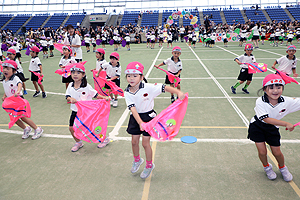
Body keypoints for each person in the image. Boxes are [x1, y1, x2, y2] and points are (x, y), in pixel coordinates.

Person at [124, 61, 185, 179]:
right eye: (129, 76)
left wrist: (178, 92)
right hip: (136, 118)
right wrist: (140, 123)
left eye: (135, 75)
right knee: (134, 142)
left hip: (149, 117)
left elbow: (164, 87)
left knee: (145, 143)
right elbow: (133, 109)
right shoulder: (127, 91)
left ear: (142, 77)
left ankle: (149, 165)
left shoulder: (148, 87)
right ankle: (137, 160)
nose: (131, 78)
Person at [247, 73, 300, 182]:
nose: (275, 90)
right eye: (271, 87)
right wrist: (286, 123)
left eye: (278, 87)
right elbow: (266, 119)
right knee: (262, 152)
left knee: (277, 152)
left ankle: (282, 167)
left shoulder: (287, 101)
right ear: (265, 89)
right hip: (257, 126)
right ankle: (267, 167)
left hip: (272, 129)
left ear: (282, 88)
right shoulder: (260, 101)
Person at [65, 63, 110, 152]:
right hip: (75, 111)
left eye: (78, 73)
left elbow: (96, 95)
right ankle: (78, 142)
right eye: (73, 72)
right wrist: (70, 99)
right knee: (71, 128)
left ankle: (104, 138)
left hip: (86, 113)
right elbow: (67, 96)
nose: (75, 74)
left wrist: (104, 97)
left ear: (83, 75)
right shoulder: (70, 85)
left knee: (92, 128)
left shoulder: (86, 86)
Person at [1, 60, 43, 140]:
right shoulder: (4, 80)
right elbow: (7, 90)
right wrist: (4, 96)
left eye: (8, 68)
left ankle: (37, 129)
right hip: (11, 102)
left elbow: (19, 84)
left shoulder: (15, 78)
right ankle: (26, 129)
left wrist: (18, 91)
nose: (5, 70)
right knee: (14, 118)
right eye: (4, 68)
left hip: (18, 100)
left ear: (14, 70)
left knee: (23, 117)